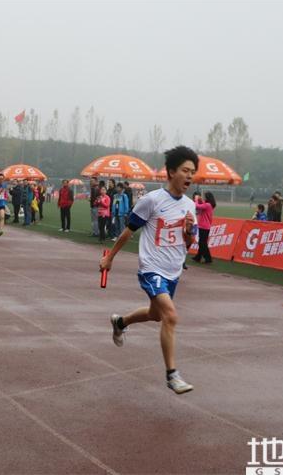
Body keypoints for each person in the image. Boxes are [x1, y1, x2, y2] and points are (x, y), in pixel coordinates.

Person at [100, 146, 198, 394]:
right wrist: (110, 258)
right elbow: (128, 232)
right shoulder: (152, 200)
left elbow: (189, 244)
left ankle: (120, 322)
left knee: (156, 315)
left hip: (173, 271)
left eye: (192, 172)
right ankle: (172, 375)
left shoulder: (190, 206)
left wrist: (189, 231)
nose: (189, 176)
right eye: (185, 170)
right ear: (171, 172)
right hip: (151, 268)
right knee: (171, 316)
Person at [192, 191, 216, 264]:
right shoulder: (208, 204)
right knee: (202, 242)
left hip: (204, 226)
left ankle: (208, 258)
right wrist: (199, 199)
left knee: (203, 243)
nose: (203, 198)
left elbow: (197, 206)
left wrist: (196, 199)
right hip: (204, 226)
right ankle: (198, 257)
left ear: (207, 197)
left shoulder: (208, 205)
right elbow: (202, 203)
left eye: (204, 196)